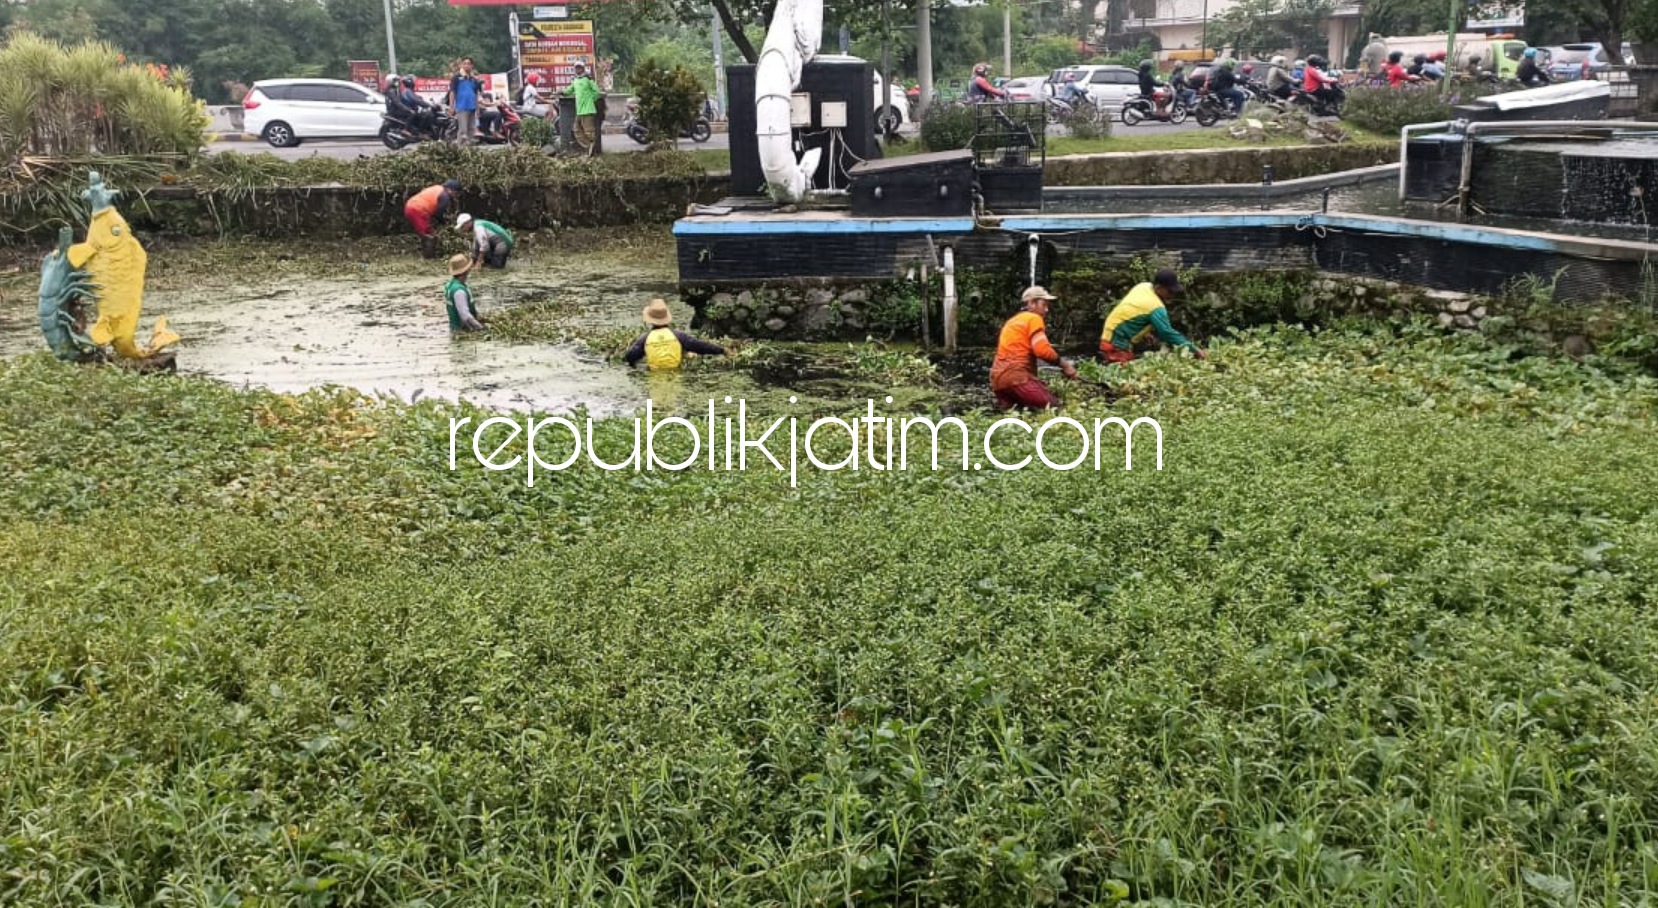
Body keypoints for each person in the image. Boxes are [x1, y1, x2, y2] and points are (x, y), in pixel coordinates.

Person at [989, 286, 1077, 411]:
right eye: (1043, 304)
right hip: (1017, 378)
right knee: (1054, 409)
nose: (1046, 310)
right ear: (1032, 303)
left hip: (998, 381)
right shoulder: (1034, 318)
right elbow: (1042, 350)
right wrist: (1066, 366)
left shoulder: (1013, 321)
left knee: (1017, 417)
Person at [1099, 269, 1205, 364]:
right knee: (1124, 377)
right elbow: (1167, 333)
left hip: (1109, 332)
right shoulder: (1156, 307)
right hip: (1117, 343)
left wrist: (1145, 332)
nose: (1172, 295)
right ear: (1158, 287)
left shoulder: (1143, 286)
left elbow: (1134, 310)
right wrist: (1194, 350)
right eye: (1169, 291)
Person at [623, 299, 726, 370]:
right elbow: (700, 346)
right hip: (676, 373)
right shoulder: (679, 336)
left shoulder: (645, 338)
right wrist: (721, 350)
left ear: (650, 321)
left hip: (653, 376)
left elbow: (630, 357)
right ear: (667, 319)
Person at [405, 179, 460, 259]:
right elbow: (439, 214)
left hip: (412, 206)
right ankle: (429, 257)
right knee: (428, 234)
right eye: (456, 193)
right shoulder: (445, 197)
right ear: (451, 190)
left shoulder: (438, 188)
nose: (456, 196)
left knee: (427, 231)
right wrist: (445, 223)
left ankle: (428, 254)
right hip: (417, 209)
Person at [565, 62, 602, 155]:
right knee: (576, 130)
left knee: (589, 131)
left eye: (580, 68)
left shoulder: (588, 79)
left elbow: (597, 92)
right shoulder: (575, 80)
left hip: (588, 110)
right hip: (579, 110)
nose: (578, 70)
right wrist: (560, 92)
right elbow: (569, 90)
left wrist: (591, 99)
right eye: (576, 68)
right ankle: (589, 146)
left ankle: (592, 149)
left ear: (583, 69)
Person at [444, 254, 487, 333]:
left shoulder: (449, 285)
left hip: (454, 330)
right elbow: (466, 316)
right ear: (466, 271)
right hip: (461, 332)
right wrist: (482, 329)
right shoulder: (459, 291)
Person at [447, 56, 483, 144]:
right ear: (461, 65)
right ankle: (460, 152)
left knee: (471, 131)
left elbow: (475, 94)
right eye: (465, 63)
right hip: (461, 107)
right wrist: (451, 107)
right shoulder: (456, 77)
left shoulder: (473, 79)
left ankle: (469, 153)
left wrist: (477, 108)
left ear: (472, 66)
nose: (467, 65)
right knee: (463, 131)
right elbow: (452, 92)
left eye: (469, 64)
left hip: (472, 107)